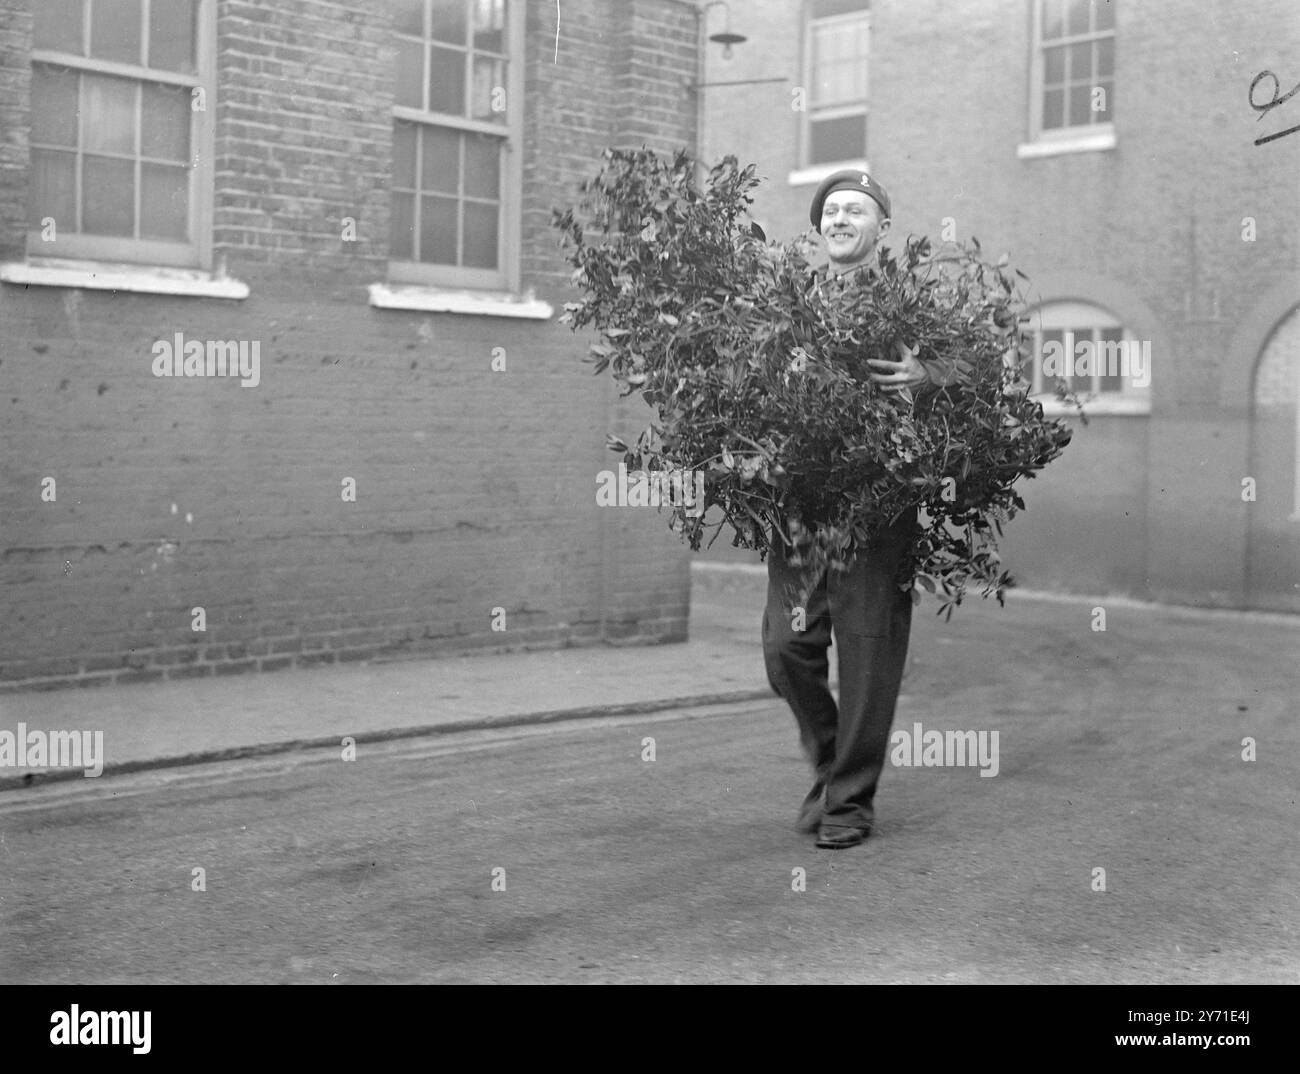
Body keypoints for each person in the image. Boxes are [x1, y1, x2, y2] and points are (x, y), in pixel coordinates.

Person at [762, 169, 950, 850]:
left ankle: (849, 802)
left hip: (878, 504)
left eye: (856, 210)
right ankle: (832, 763)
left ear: (882, 227)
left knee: (867, 657)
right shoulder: (790, 303)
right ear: (819, 227)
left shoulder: (910, 303)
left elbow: (979, 368)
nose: (841, 219)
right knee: (786, 649)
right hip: (802, 505)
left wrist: (929, 375)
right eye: (832, 211)